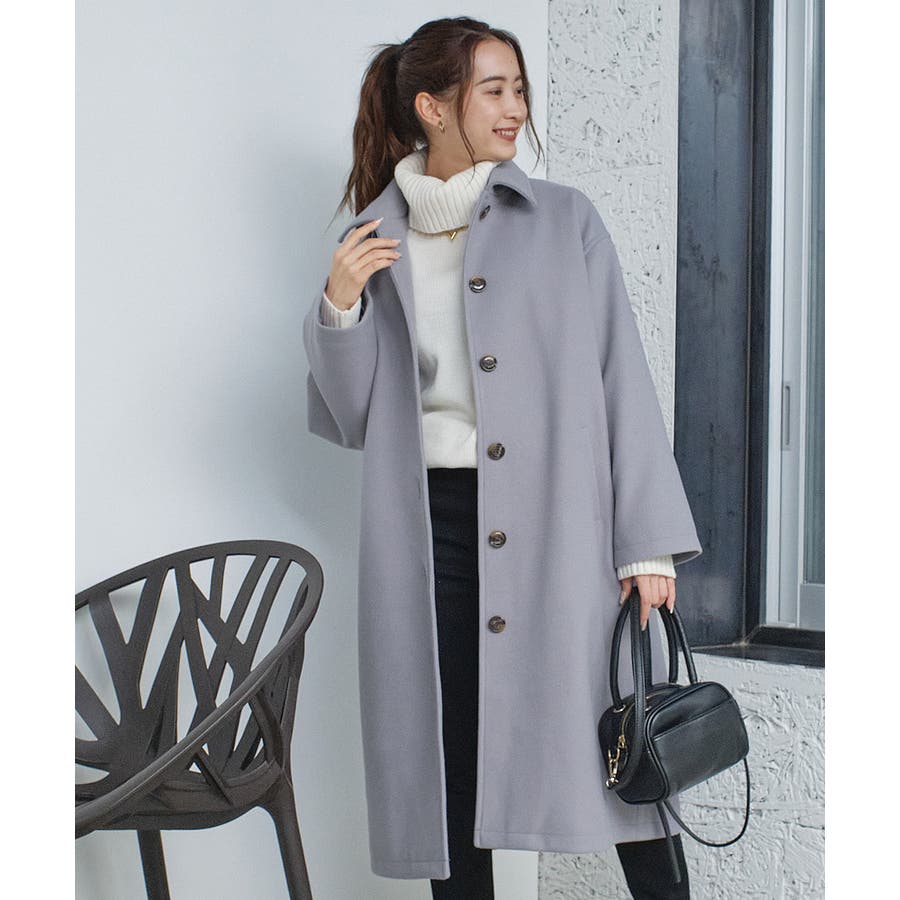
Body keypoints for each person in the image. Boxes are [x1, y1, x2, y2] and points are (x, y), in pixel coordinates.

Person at [304, 16, 700, 900]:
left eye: (519, 89)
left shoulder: (564, 221)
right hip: (429, 530)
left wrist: (647, 543)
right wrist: (339, 305)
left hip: (557, 520)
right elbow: (355, 417)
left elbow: (621, 377)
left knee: (622, 746)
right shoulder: (373, 240)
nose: (516, 107)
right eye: (494, 90)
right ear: (431, 107)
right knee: (448, 761)